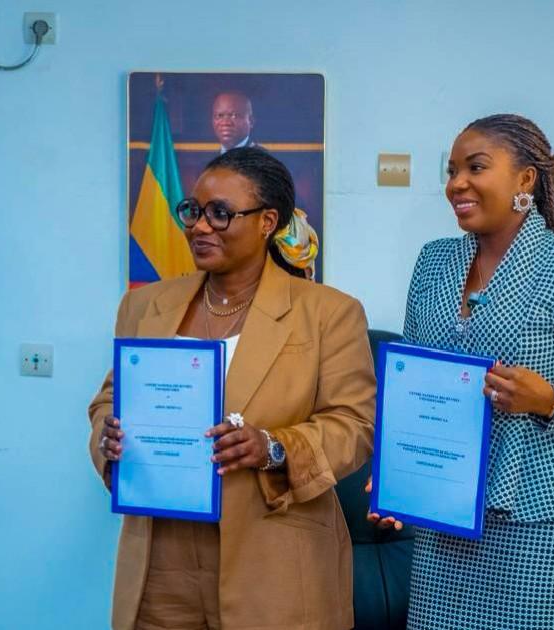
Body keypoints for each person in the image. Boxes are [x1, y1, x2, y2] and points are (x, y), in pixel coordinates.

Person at [88, 148, 376, 630]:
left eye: (220, 213)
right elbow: (108, 400)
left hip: (273, 557)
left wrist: (274, 447)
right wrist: (108, 436)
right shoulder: (144, 306)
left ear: (267, 222)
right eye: (193, 210)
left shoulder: (330, 312)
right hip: (161, 560)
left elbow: (355, 426)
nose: (200, 226)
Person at [369, 114, 554, 629]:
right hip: (444, 510)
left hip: (539, 515)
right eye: (451, 171)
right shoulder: (433, 262)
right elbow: (413, 383)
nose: (457, 184)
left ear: (525, 180)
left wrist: (549, 401)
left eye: (475, 167)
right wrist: (394, 472)